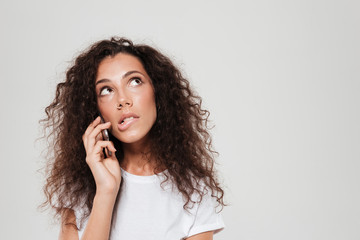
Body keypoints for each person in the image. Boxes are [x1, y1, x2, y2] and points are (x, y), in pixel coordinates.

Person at [41, 37, 225, 240]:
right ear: (95, 109)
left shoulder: (193, 190)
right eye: (106, 90)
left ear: (158, 91)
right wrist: (106, 191)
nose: (122, 100)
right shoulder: (80, 188)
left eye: (135, 81)